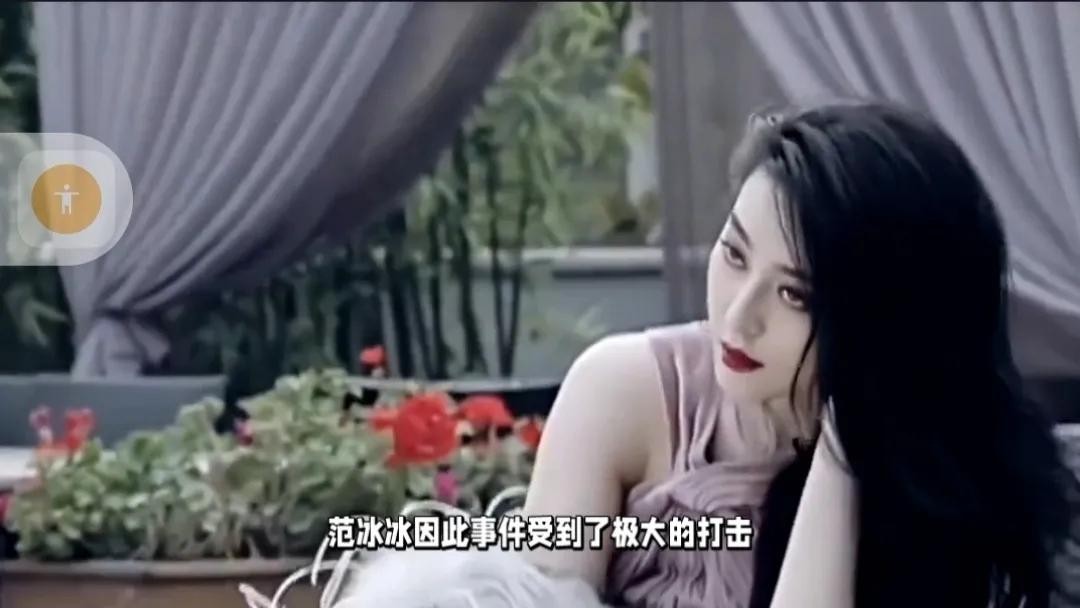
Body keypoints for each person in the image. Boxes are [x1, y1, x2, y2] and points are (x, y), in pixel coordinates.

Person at [330, 100, 1078, 608]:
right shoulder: (623, 393)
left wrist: (841, 451)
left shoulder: (943, 464)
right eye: (734, 253)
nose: (739, 317)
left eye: (795, 295)